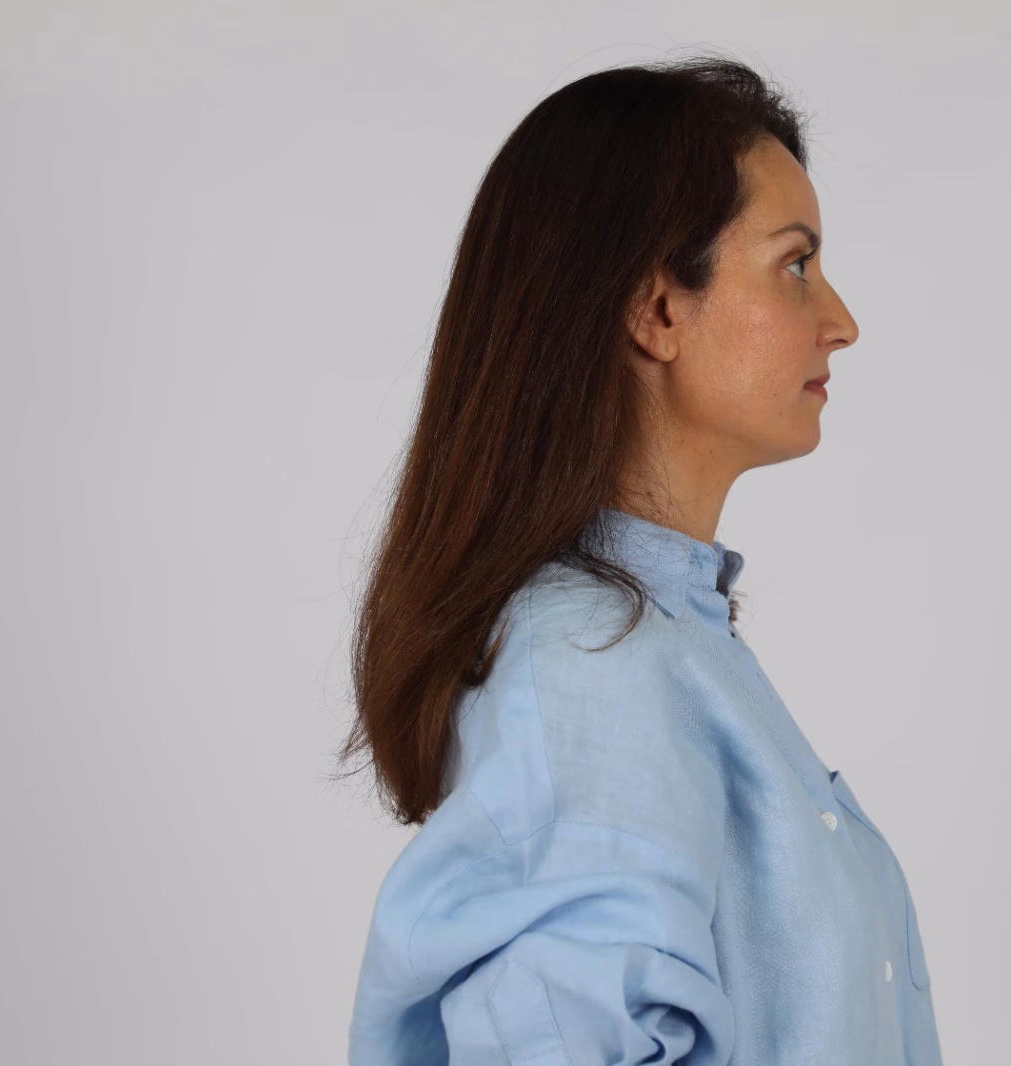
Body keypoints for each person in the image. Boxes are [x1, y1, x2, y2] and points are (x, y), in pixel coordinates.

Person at [340, 52, 942, 1065]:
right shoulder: (589, 659)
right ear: (657, 309)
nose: (840, 323)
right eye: (795, 265)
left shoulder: (664, 645)